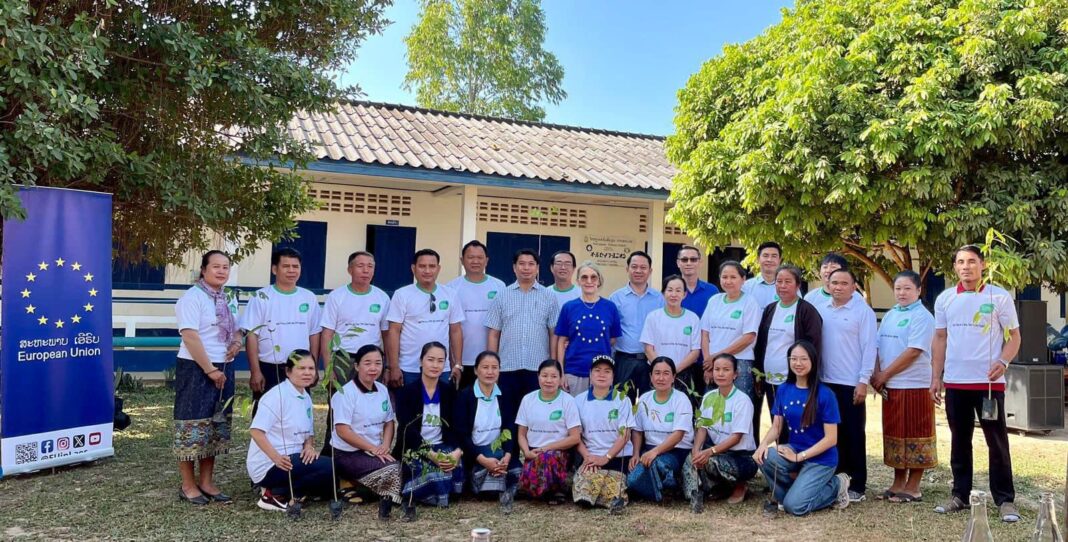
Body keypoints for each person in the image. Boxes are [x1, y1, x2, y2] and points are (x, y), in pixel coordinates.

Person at [931, 245, 1021, 522]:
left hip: (989, 385)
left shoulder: (998, 296)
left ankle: (1005, 500)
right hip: (956, 383)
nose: (966, 266)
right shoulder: (945, 299)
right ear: (955, 267)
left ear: (983, 264)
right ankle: (960, 494)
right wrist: (936, 375)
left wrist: (1003, 362)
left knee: (996, 442)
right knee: (959, 440)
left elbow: (1015, 337)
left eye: (971, 261)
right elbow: (940, 339)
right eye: (960, 262)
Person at [174, 250, 241, 505]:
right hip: (196, 367)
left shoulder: (229, 298)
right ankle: (188, 485)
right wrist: (210, 370)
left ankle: (207, 482)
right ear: (203, 270)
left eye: (226, 267)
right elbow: (190, 336)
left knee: (216, 425)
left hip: (225, 365)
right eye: (216, 266)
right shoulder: (192, 298)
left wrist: (236, 342)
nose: (222, 271)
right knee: (190, 426)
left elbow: (238, 329)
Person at [753, 341, 850, 516]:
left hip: (821, 459)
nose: (798, 363)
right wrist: (762, 445)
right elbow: (776, 427)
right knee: (766, 456)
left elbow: (831, 439)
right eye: (794, 359)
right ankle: (793, 492)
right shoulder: (783, 389)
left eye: (803, 359)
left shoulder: (825, 394)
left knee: (794, 507)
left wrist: (799, 457)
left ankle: (837, 485)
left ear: (813, 361)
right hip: (794, 450)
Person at [870, 271, 937, 504]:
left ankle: (914, 486)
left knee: (916, 434)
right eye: (898, 288)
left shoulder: (922, 316)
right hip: (891, 386)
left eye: (907, 288)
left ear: (918, 291)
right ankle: (898, 483)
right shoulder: (890, 315)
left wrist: (884, 374)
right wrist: (877, 375)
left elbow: (914, 350)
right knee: (895, 434)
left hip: (915, 385)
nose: (902, 293)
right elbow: (877, 346)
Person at [247, 350, 334, 511]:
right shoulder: (276, 396)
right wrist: (276, 458)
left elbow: (309, 433)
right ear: (288, 372)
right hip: (272, 463)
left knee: (329, 481)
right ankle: (272, 494)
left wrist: (309, 447)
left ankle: (281, 492)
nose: (307, 373)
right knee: (330, 468)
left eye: (311, 368)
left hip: (295, 459)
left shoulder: (305, 396)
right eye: (301, 368)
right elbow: (256, 431)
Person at [817, 268, 877, 502]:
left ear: (854, 287)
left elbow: (869, 347)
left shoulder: (863, 312)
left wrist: (863, 381)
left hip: (851, 383)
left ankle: (857, 484)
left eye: (844, 283)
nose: (838, 287)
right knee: (832, 434)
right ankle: (835, 480)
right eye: (834, 283)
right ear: (828, 285)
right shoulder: (822, 310)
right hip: (826, 382)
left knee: (853, 434)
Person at [241, 248, 322, 414]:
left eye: (295, 266)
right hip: (269, 367)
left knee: (299, 414)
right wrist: (255, 371)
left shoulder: (309, 297)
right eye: (286, 266)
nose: (291, 270)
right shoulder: (261, 297)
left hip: (300, 367)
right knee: (266, 414)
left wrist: (312, 366)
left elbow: (314, 334)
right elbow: (251, 336)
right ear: (274, 269)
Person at [330, 345, 402, 520]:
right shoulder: (346, 393)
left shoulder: (382, 389)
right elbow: (342, 430)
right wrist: (372, 448)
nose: (373, 368)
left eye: (378, 363)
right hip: (348, 453)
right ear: (356, 366)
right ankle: (347, 479)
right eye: (367, 363)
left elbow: (389, 422)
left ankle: (356, 485)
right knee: (394, 470)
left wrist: (384, 446)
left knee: (403, 469)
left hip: (374, 452)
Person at [393, 342, 464, 521]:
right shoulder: (406, 393)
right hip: (416, 449)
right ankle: (421, 489)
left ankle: (435, 488)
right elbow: (408, 432)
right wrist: (431, 455)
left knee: (455, 467)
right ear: (421, 361)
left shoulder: (449, 392)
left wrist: (457, 452)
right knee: (434, 472)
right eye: (430, 359)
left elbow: (457, 427)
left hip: (442, 446)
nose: (435, 365)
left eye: (440, 361)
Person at [486, 249, 560, 412]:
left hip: (538, 369)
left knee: (536, 416)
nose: (526, 268)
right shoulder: (502, 295)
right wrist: (492, 365)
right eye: (522, 264)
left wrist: (554, 365)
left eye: (531, 264)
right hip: (507, 368)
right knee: (507, 417)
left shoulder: (549, 296)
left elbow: (554, 334)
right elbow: (494, 333)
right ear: (514, 267)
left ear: (538, 268)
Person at [683, 353, 758, 512]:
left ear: (735, 374)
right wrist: (697, 449)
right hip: (717, 452)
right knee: (692, 458)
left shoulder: (742, 400)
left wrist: (710, 452)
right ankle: (714, 489)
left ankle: (739, 484)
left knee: (710, 462)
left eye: (726, 370)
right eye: (717, 369)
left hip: (741, 456)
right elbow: (702, 426)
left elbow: (737, 437)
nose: (721, 373)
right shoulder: (709, 396)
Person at [753, 265, 822, 433]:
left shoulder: (806, 310)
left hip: (794, 380)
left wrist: (804, 375)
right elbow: (762, 343)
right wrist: (759, 372)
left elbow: (813, 346)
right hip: (770, 379)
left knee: (794, 425)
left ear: (798, 285)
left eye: (787, 282)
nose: (782, 285)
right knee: (776, 424)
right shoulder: (770, 309)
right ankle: (781, 456)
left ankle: (796, 458)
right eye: (779, 281)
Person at [454, 351, 522, 513]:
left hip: (499, 451)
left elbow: (509, 428)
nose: (490, 372)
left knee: (519, 473)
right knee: (493, 483)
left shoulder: (505, 394)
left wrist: (507, 455)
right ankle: (487, 480)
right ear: (476, 370)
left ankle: (496, 478)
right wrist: (483, 459)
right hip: (476, 453)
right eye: (485, 367)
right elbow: (462, 435)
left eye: (494, 368)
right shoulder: (465, 396)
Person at [386, 249, 465, 387]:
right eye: (422, 266)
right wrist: (394, 366)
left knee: (441, 407)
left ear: (439, 269)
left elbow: (455, 331)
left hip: (442, 368)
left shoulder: (450, 294)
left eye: (432, 266)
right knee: (411, 407)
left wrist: (457, 364)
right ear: (413, 268)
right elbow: (393, 331)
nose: (427, 271)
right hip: (409, 368)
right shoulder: (402, 294)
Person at [700, 261, 761, 425]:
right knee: (711, 410)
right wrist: (708, 362)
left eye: (733, 277)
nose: (728, 281)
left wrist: (716, 357)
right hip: (712, 364)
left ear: (743, 279)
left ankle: (741, 449)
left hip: (740, 363)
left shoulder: (750, 302)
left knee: (738, 410)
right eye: (724, 277)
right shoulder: (714, 300)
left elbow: (749, 337)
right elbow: (705, 333)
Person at [626, 357, 694, 502]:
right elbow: (637, 430)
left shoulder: (681, 399)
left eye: (666, 373)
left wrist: (655, 452)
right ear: (650, 377)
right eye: (657, 373)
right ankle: (664, 488)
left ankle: (668, 485)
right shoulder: (644, 399)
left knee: (659, 464)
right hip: (650, 449)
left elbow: (679, 435)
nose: (661, 378)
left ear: (673, 377)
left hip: (676, 450)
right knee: (631, 478)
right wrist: (636, 453)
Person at [572, 355, 635, 511]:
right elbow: (575, 435)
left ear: (613, 377)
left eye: (607, 371)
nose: (602, 374)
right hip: (590, 456)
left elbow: (625, 435)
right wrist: (587, 457)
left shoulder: (623, 400)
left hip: (616, 456)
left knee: (614, 492)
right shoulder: (578, 401)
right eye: (597, 370)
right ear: (590, 375)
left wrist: (605, 458)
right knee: (584, 493)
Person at [515, 359, 582, 504]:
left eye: (553, 376)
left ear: (560, 378)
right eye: (544, 376)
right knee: (539, 460)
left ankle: (551, 488)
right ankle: (544, 488)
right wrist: (526, 452)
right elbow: (521, 433)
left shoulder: (568, 401)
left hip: (559, 453)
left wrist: (546, 448)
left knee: (547, 458)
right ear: (538, 376)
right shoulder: (528, 400)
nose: (549, 380)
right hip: (532, 452)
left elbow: (575, 438)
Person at [319, 251, 391, 379]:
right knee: (341, 398)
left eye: (370, 266)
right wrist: (328, 367)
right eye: (360, 266)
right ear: (349, 269)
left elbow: (386, 334)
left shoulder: (382, 297)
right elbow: (327, 334)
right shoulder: (336, 296)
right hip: (343, 359)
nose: (366, 270)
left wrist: (388, 366)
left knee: (371, 397)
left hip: (372, 359)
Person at [555, 261, 622, 396]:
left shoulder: (610, 307)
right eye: (584, 277)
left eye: (593, 277)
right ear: (578, 281)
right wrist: (561, 373)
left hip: (601, 374)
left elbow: (613, 339)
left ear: (599, 281)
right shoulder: (569, 307)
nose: (589, 281)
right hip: (574, 373)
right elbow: (561, 342)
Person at [447, 241, 506, 390]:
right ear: (462, 260)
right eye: (470, 257)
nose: (475, 261)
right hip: (461, 361)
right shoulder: (451, 288)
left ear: (486, 260)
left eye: (480, 257)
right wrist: (454, 361)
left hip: (491, 362)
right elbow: (450, 327)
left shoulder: (499, 286)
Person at [610, 251, 665, 395]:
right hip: (624, 360)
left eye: (643, 267)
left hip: (651, 360)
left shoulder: (659, 299)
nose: (638, 271)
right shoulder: (616, 298)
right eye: (634, 267)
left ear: (650, 271)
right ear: (627, 269)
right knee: (622, 404)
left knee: (650, 403)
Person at [640, 275, 700, 395]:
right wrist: (662, 371)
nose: (674, 294)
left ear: (684, 294)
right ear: (663, 293)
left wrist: (674, 370)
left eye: (678, 290)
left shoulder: (692, 318)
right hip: (658, 375)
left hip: (684, 373)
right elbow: (648, 349)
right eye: (670, 290)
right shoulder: (653, 317)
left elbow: (695, 351)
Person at [675, 245, 719, 317]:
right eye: (684, 260)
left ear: (700, 262)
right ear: (678, 263)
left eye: (693, 259)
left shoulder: (712, 291)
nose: (689, 263)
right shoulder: (671, 291)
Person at [741, 241, 782, 308]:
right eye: (765, 256)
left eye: (774, 256)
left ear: (780, 260)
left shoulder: (790, 287)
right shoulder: (746, 287)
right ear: (758, 259)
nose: (769, 259)